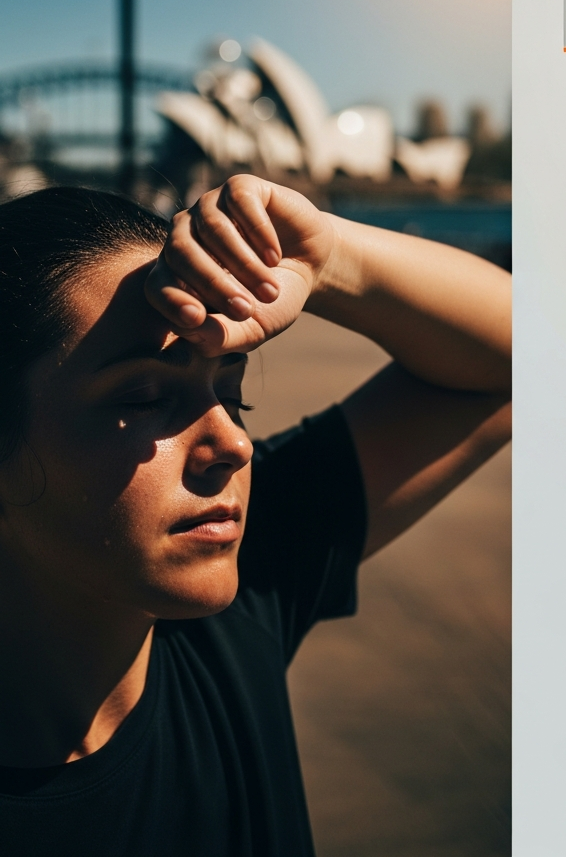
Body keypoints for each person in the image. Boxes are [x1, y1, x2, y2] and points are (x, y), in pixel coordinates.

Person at [0, 175, 511, 856]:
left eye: (232, 393)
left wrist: (326, 259)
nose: (233, 444)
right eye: (146, 396)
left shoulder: (236, 592)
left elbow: (514, 361)